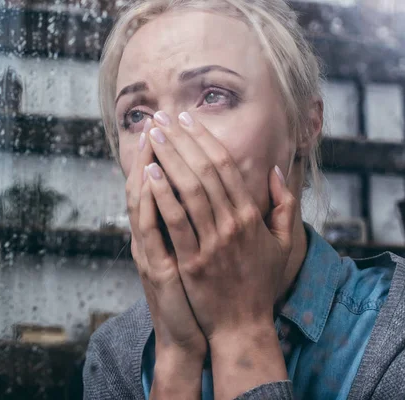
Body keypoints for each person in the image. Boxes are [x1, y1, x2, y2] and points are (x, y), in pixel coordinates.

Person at [82, 0, 405, 399]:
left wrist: (241, 332)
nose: (165, 145)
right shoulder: (116, 354)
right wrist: (176, 359)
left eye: (214, 95)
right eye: (136, 116)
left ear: (305, 125)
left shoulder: (393, 336)